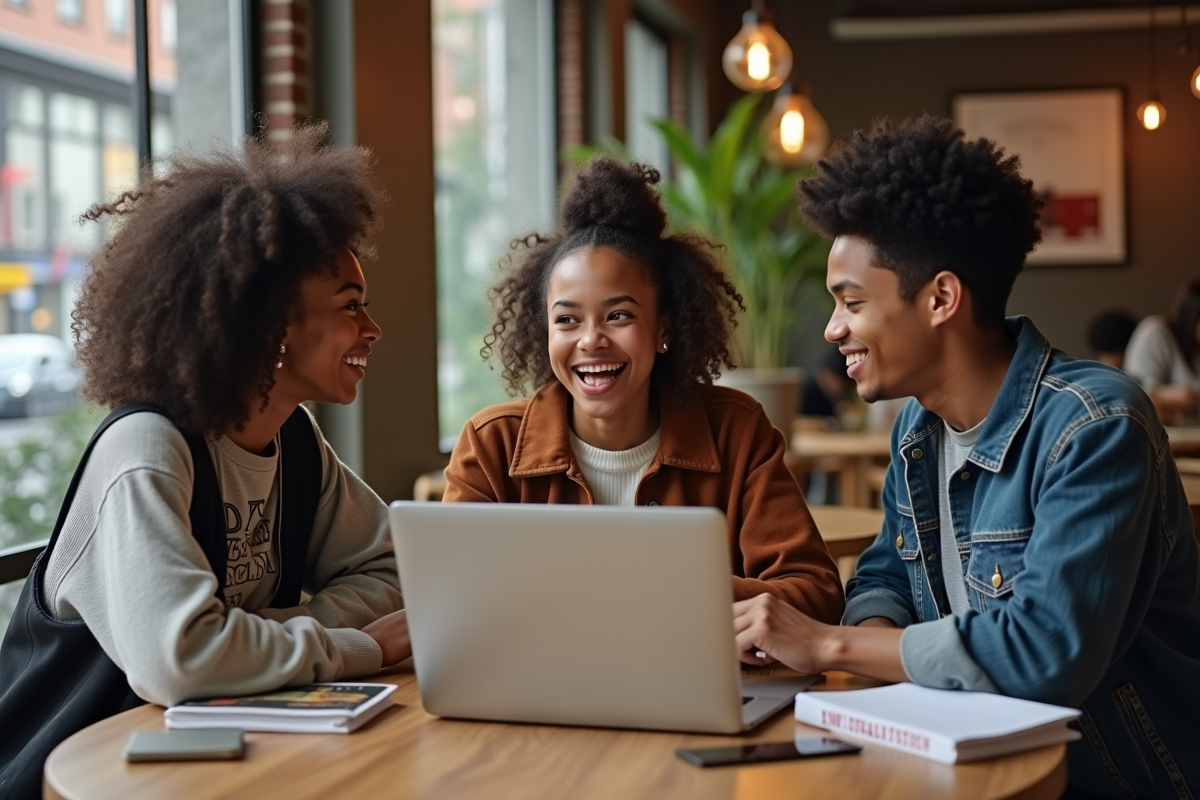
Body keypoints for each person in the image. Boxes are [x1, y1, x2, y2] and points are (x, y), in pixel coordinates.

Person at [732, 116, 1200, 799]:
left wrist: (829, 644)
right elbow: (884, 577)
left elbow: (1045, 651)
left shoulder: (1096, 426)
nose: (832, 329)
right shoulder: (918, 429)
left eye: (851, 302)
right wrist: (879, 657)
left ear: (941, 298)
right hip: (966, 766)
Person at [0, 125, 410, 798]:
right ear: (271, 324)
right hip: (80, 778)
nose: (373, 329)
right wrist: (362, 645)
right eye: (350, 307)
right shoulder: (146, 449)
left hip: (211, 766)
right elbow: (181, 661)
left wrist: (255, 638)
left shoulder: (294, 440)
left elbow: (396, 568)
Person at [443, 156, 844, 619]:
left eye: (618, 315)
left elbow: (815, 593)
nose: (591, 340)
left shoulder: (736, 431)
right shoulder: (491, 446)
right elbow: (450, 599)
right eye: (567, 320)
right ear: (545, 333)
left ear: (663, 329)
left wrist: (661, 588)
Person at [1123, 281, 1200, 424]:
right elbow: (1133, 396)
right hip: (1158, 432)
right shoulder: (1156, 333)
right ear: (1192, 317)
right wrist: (1170, 396)